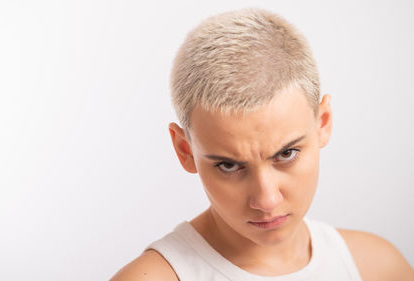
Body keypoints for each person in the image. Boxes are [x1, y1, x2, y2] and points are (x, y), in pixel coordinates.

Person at [110, 8, 414, 281]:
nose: (266, 200)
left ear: (322, 123)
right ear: (184, 151)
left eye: (287, 153)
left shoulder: (378, 268)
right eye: (229, 165)